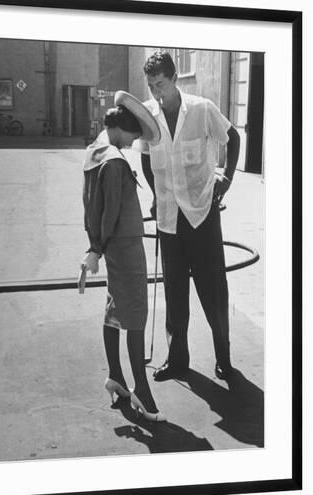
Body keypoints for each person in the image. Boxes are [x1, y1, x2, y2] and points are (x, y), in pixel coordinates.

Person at [139, 50, 240, 382]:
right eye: (152, 86)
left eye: (162, 84)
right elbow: (144, 157)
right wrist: (156, 195)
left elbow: (233, 137)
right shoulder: (149, 115)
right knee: (175, 293)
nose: (157, 93)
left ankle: (224, 358)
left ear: (175, 78)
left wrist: (226, 178)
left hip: (202, 214)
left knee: (213, 291)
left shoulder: (201, 109)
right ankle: (178, 359)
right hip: (169, 218)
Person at [81, 90, 165, 422]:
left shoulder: (96, 153)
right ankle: (141, 392)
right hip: (126, 248)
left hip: (114, 245)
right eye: (133, 136)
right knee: (135, 317)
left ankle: (116, 376)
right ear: (121, 129)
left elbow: (92, 209)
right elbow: (110, 210)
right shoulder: (115, 160)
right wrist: (96, 248)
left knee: (115, 310)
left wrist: (95, 246)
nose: (134, 143)